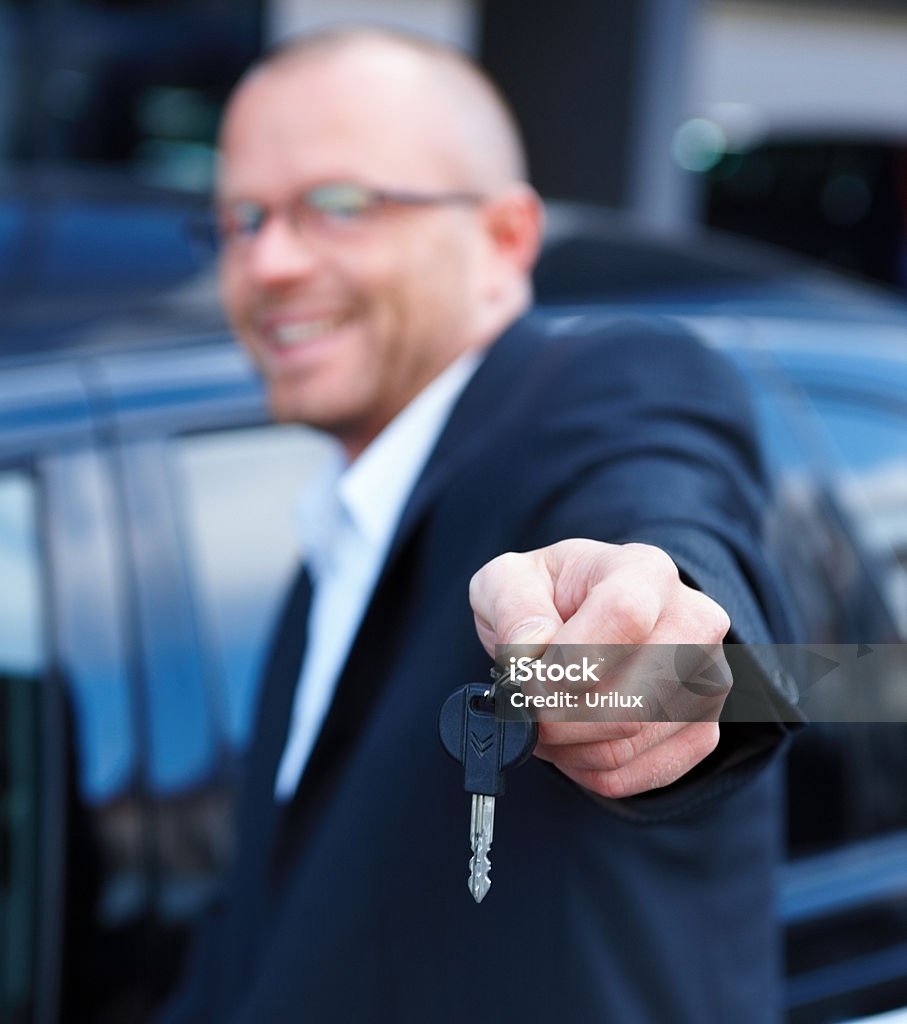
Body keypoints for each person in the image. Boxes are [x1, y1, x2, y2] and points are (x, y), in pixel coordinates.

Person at [161, 26, 798, 1023]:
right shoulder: (327, 558)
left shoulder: (603, 389)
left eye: (336, 206)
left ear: (503, 239)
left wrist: (656, 637)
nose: (268, 261)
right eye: (241, 217)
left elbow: (664, 515)